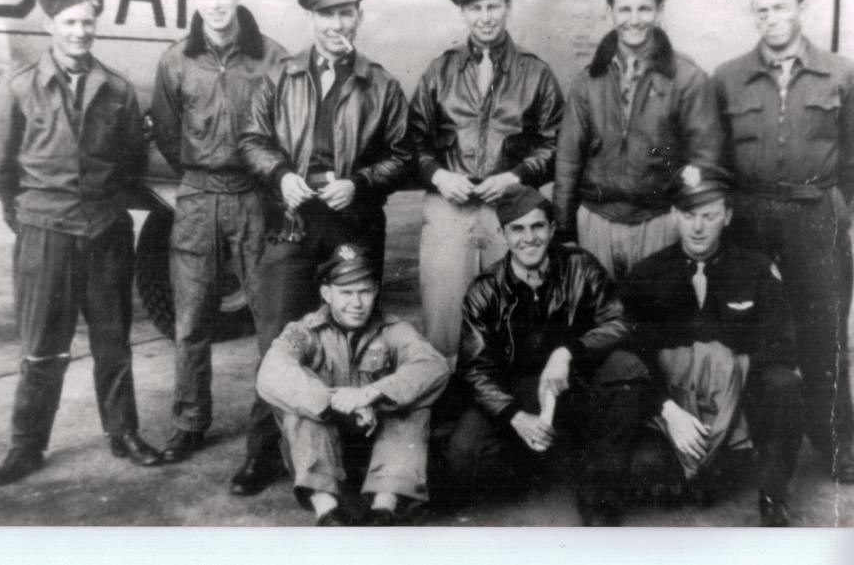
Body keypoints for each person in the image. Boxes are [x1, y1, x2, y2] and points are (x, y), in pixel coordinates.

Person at [237, 0, 411, 495]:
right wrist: (281, 174)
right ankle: (262, 454)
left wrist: (359, 182)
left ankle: (345, 457)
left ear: (358, 16)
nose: (337, 24)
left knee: (354, 342)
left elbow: (403, 157)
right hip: (292, 224)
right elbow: (252, 140)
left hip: (351, 226)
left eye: (346, 12)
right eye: (326, 14)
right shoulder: (280, 76)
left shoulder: (381, 84)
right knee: (278, 343)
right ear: (310, 17)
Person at [0, 0, 160, 485]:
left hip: (105, 232)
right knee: (42, 347)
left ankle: (123, 432)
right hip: (44, 233)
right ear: (49, 26)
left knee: (113, 342)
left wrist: (102, 209)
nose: (80, 32)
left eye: (87, 22)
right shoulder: (17, 85)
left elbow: (129, 166)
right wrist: (29, 217)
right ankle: (27, 447)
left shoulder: (118, 89)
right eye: (70, 23)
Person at [714, 0, 854, 483]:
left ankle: (836, 443)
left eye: (780, 7)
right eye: (761, 9)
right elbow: (714, 156)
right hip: (750, 219)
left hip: (815, 217)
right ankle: (750, 444)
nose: (771, 18)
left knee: (824, 336)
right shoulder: (727, 77)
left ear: (801, 7)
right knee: (751, 330)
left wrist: (840, 214)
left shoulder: (841, 73)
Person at [149, 0, 289, 464]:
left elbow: (287, 128)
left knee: (270, 320)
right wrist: (200, 172)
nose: (216, 3)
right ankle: (189, 422)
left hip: (255, 197)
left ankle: (272, 430)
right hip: (197, 197)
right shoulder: (175, 61)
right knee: (190, 321)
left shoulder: (273, 57)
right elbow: (166, 132)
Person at [444, 184, 646, 525]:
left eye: (538, 226)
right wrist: (514, 417)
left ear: (552, 229)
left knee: (626, 367)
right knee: (465, 459)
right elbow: (475, 369)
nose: (529, 238)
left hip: (576, 383)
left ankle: (599, 498)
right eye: (517, 229)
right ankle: (534, 464)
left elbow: (619, 320)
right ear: (503, 234)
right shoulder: (485, 289)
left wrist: (569, 351)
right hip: (517, 394)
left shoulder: (580, 265)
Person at [622, 163, 802, 526]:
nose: (698, 227)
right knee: (647, 469)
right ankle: (699, 474)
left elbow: (783, 345)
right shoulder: (646, 274)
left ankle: (772, 498)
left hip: (737, 411)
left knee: (784, 383)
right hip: (674, 410)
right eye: (689, 215)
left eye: (709, 215)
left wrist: (728, 372)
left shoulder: (756, 269)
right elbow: (631, 354)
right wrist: (668, 411)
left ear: (729, 216)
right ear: (674, 215)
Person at [408, 0, 565, 361]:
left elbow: (553, 144)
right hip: (449, 206)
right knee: (443, 315)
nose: (485, 17)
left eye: (493, 6)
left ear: (508, 6)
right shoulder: (439, 71)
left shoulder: (536, 74)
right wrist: (439, 175)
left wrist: (516, 176)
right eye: (475, 8)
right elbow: (413, 141)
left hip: (509, 208)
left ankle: (505, 404)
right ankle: (443, 401)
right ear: (462, 12)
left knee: (511, 310)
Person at [553, 0, 721, 281]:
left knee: (654, 325)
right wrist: (563, 229)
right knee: (598, 319)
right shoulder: (588, 81)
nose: (634, 19)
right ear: (610, 12)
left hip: (658, 222)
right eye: (624, 9)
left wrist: (659, 156)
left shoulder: (688, 80)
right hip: (595, 222)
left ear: (659, 12)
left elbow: (704, 159)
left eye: (644, 9)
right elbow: (569, 160)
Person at [256, 243, 450, 525]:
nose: (357, 303)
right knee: (297, 401)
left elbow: (433, 365)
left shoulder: (394, 330)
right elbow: (271, 371)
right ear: (326, 294)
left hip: (382, 453)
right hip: (323, 455)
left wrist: (371, 394)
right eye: (346, 292)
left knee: (412, 403)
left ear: (375, 291)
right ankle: (327, 511)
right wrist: (331, 400)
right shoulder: (304, 331)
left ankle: (384, 508)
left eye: (365, 291)